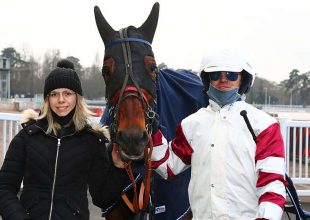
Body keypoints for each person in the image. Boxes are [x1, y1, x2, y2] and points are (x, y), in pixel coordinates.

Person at [150, 48, 287, 219]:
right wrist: (152, 132)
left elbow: (272, 185)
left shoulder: (264, 125)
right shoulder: (191, 124)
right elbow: (168, 167)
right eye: (215, 75)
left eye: (231, 74)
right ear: (207, 80)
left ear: (243, 78)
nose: (223, 80)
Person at [0, 59, 128, 220]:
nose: (61, 100)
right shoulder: (27, 137)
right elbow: (4, 187)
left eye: (67, 93)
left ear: (77, 98)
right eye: (54, 94)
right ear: (47, 99)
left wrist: (117, 168)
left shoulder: (92, 141)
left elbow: (102, 198)